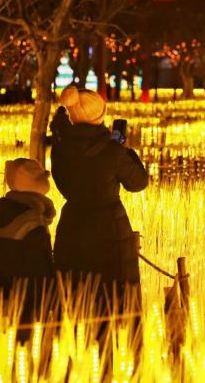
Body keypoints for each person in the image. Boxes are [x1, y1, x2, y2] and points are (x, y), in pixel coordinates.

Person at [49, 85, 149, 314]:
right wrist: (124, 150)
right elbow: (138, 183)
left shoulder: (60, 147)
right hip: (110, 229)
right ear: (100, 115)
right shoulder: (112, 150)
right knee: (114, 298)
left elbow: (61, 182)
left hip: (72, 226)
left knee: (76, 295)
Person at [0, 158, 56, 327]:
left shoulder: (4, 216)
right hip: (31, 309)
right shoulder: (32, 221)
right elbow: (41, 270)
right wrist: (51, 303)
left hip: (6, 302)